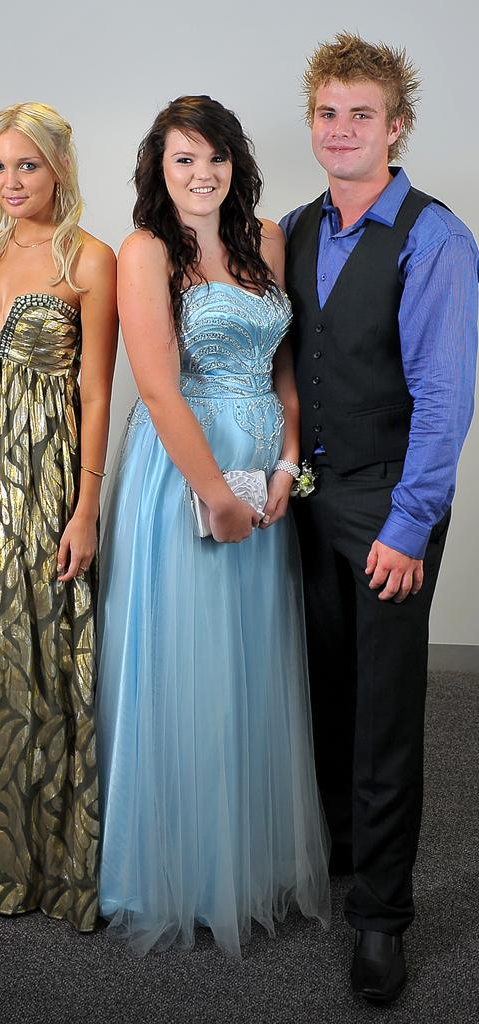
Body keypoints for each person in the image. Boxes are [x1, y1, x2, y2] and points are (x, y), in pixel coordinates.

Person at [96, 95, 330, 957]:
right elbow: (156, 384)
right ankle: (176, 869)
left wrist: (282, 467)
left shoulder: (265, 238)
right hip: (184, 473)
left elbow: (286, 373)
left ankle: (246, 858)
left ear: (237, 162)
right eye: (183, 159)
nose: (202, 175)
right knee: (186, 665)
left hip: (264, 476)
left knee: (249, 664)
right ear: (159, 169)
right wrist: (218, 495)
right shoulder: (145, 250)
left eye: (215, 158)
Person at [281, 32, 478, 1003]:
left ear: (396, 128)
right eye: (328, 112)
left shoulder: (436, 237)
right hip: (306, 501)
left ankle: (382, 917)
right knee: (321, 685)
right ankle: (341, 852)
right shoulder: (296, 228)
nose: (342, 129)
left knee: (386, 710)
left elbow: (445, 399)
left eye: (362, 114)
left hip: (389, 502)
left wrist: (411, 521)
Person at [0, 103, 117, 932]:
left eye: (27, 167)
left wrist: (87, 507)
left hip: (48, 477)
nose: (11, 184)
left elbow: (97, 391)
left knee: (51, 647)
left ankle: (57, 865)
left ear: (60, 170)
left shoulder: (91, 258)